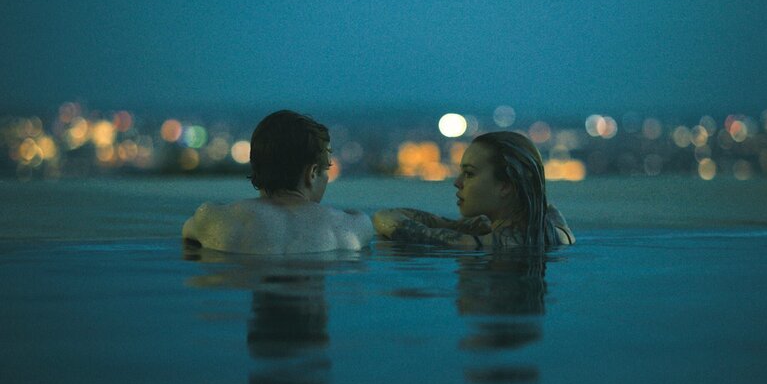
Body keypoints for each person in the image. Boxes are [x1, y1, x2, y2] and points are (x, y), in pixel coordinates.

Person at [182, 110, 373, 254]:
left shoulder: (214, 218)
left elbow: (188, 232)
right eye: (325, 171)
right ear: (312, 173)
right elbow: (378, 222)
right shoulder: (349, 226)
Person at [372, 131, 575, 251]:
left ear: (506, 186)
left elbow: (386, 218)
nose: (457, 182)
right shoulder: (555, 226)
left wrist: (461, 227)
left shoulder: (482, 243)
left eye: (469, 174)